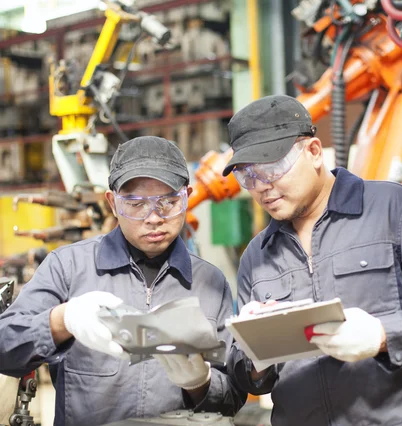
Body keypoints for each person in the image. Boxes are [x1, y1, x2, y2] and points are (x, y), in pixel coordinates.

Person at [222, 95, 402, 426]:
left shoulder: (393, 210)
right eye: (249, 176)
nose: (262, 188)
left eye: (272, 168)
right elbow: (252, 379)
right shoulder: (256, 256)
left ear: (313, 152)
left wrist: (383, 334)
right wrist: (255, 353)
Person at [0, 136, 246, 426]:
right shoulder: (67, 267)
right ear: (112, 204)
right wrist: (63, 319)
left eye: (168, 202)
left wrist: (200, 382)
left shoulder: (210, 283)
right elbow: (6, 348)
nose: (154, 218)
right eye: (136, 204)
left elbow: (232, 398)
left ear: (187, 196)